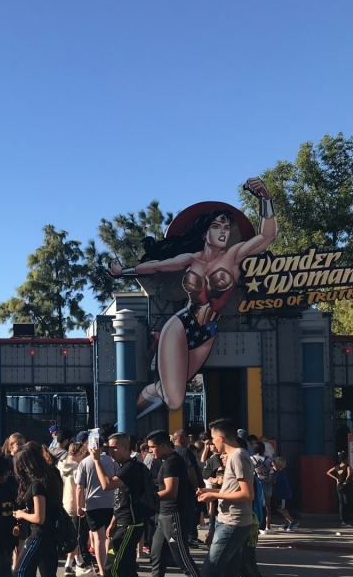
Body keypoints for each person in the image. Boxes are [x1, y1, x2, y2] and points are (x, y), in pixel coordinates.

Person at [109, 178, 278, 418]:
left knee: (171, 394)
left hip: (207, 330)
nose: (223, 231)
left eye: (226, 227)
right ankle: (124, 426)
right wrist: (122, 272)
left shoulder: (234, 256)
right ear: (204, 232)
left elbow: (267, 236)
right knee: (175, 398)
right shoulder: (191, 259)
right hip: (182, 323)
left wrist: (266, 199)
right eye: (217, 226)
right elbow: (156, 266)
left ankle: (141, 403)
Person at [194, 418, 257, 577]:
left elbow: (247, 493)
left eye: (212, 439)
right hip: (226, 522)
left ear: (221, 438)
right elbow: (234, 490)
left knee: (210, 573)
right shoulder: (233, 457)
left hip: (233, 524)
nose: (211, 444)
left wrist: (215, 497)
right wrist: (213, 491)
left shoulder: (238, 456)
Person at [3, 442, 69, 577]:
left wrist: (22, 514)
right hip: (50, 535)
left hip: (39, 534)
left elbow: (39, 518)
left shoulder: (37, 485)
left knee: (20, 573)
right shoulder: (50, 478)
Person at [141, 431, 210, 577]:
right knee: (157, 556)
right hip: (164, 516)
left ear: (163, 445)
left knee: (182, 559)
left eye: (153, 447)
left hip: (174, 515)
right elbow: (165, 484)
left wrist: (147, 497)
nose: (150, 451)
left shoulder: (172, 461)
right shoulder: (168, 462)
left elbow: (171, 492)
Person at [90, 432, 154, 577]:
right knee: (125, 569)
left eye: (115, 447)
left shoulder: (131, 468)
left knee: (113, 568)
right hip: (124, 523)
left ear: (127, 448)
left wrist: (97, 462)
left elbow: (107, 485)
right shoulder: (125, 467)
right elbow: (123, 499)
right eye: (109, 446)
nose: (111, 450)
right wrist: (112, 522)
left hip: (131, 525)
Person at [77, 433, 117, 577]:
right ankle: (110, 567)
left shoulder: (84, 463)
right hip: (111, 502)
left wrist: (79, 505)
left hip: (93, 504)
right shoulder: (112, 460)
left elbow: (80, 487)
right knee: (110, 537)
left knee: (98, 538)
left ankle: (102, 571)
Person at [58, 441, 87, 577]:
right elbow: (80, 488)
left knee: (72, 536)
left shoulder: (60, 466)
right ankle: (70, 565)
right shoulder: (78, 468)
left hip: (64, 503)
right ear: (79, 453)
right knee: (76, 536)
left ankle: (78, 562)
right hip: (75, 505)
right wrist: (82, 505)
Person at [251, 441, 274, 532]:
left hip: (255, 483)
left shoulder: (251, 459)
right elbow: (277, 469)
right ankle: (267, 526)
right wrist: (272, 481)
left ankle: (257, 523)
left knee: (256, 503)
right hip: (267, 483)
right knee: (267, 505)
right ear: (264, 449)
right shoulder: (269, 459)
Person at [270, 458, 297, 531]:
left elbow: (272, 480)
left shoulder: (278, 473)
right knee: (284, 509)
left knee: (280, 508)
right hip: (283, 493)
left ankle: (292, 521)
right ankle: (288, 523)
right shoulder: (282, 472)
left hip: (282, 494)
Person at [327, 452, 352, 525]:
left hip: (339, 486)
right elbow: (349, 474)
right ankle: (347, 519)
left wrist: (336, 479)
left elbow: (328, 472)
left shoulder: (337, 467)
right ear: (346, 459)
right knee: (346, 502)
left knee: (341, 503)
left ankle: (342, 520)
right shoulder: (347, 466)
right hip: (346, 486)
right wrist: (346, 480)